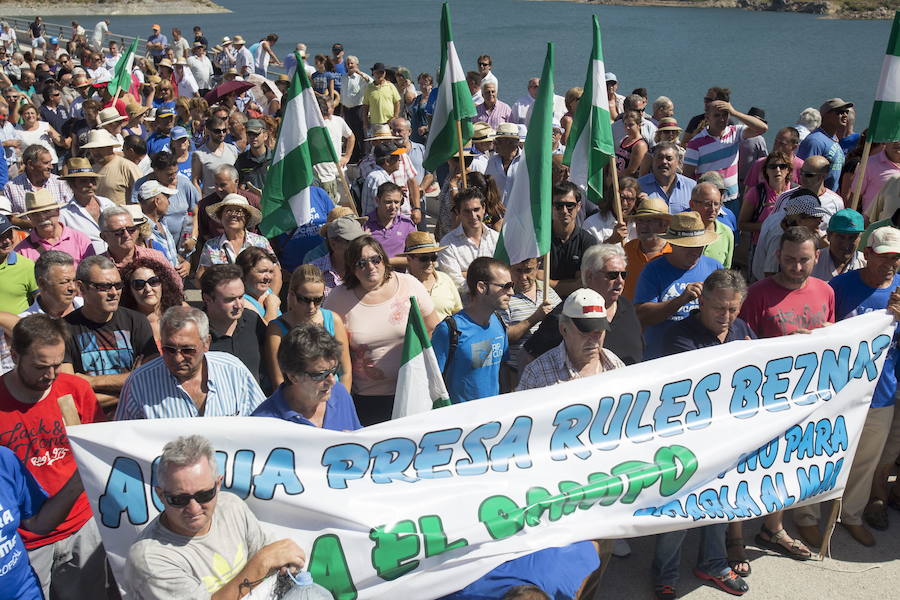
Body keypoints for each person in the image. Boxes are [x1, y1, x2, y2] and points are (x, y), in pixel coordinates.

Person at [792, 226, 900, 549]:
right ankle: (807, 517)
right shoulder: (837, 287)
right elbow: (819, 331)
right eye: (884, 258)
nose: (890, 265)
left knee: (866, 461)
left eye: (896, 259)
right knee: (820, 454)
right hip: (837, 391)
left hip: (882, 393)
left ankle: (851, 515)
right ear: (868, 254)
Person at [655, 269, 754, 598]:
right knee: (680, 509)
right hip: (687, 441)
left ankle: (713, 562)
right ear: (703, 301)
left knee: (721, 502)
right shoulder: (679, 336)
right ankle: (665, 571)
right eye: (719, 308)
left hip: (728, 438)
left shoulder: (741, 329)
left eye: (733, 309)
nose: (727, 317)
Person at [738, 226, 833, 559]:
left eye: (804, 260)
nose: (795, 267)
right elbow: (743, 348)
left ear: (816, 257)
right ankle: (736, 534)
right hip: (769, 398)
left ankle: (773, 527)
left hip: (811, 397)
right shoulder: (757, 294)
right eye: (789, 259)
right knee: (757, 466)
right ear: (777, 255)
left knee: (790, 465)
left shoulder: (826, 291)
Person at [0, 314, 110, 600]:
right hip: (25, 542)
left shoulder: (75, 390)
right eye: (40, 366)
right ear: (14, 355)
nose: (50, 375)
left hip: (82, 527)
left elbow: (98, 451)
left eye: (57, 364)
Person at [124, 434, 305, 598]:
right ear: (161, 495)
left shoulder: (231, 507)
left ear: (218, 485)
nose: (194, 508)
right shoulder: (150, 558)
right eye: (179, 499)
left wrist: (284, 563)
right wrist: (262, 562)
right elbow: (264, 559)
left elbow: (271, 557)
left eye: (204, 495)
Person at [322, 235, 438, 425]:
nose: (370, 267)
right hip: (368, 398)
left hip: (414, 389)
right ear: (351, 268)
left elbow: (434, 328)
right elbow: (327, 345)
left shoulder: (409, 284)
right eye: (361, 263)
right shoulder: (338, 298)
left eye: (376, 259)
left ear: (384, 260)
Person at [116, 306, 265, 420]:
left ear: (206, 343)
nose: (178, 358)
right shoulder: (140, 383)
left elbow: (264, 421)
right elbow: (121, 440)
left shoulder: (233, 371)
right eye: (169, 349)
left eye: (187, 350)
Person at [60, 255, 157, 409]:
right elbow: (68, 393)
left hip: (133, 419)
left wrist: (91, 382)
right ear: (82, 288)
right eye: (104, 287)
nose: (114, 292)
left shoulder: (137, 322)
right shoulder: (63, 329)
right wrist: (132, 384)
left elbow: (152, 380)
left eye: (118, 285)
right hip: (90, 424)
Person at [634, 211, 723, 359]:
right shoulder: (653, 270)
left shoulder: (714, 267)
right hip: (662, 358)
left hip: (703, 357)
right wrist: (680, 300)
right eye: (689, 246)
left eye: (699, 245)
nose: (696, 251)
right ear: (673, 243)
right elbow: (641, 315)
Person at [254, 320, 361, 430]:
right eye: (320, 375)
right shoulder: (263, 423)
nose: (332, 381)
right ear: (293, 377)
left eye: (334, 370)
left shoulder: (339, 393)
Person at [432, 257, 511, 403]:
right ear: (482, 287)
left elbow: (501, 369)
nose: (511, 292)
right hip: (461, 421)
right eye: (505, 286)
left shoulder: (499, 322)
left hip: (495, 417)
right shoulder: (449, 330)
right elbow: (432, 384)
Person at [518, 287, 625, 391]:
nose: (594, 339)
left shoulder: (615, 365)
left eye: (599, 331)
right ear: (564, 329)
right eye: (585, 331)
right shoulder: (537, 374)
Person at [263, 265, 352, 390]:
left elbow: (345, 372)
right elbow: (278, 380)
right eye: (304, 299)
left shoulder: (333, 320)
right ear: (292, 295)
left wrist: (342, 404)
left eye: (317, 300)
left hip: (332, 397)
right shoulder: (276, 329)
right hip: (297, 402)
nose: (311, 306)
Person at [683, 97, 768, 203]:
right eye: (717, 115)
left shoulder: (735, 132)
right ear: (707, 117)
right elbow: (686, 177)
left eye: (725, 114)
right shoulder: (695, 143)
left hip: (732, 199)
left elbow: (762, 128)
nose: (722, 119)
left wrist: (734, 112)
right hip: (708, 201)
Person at [200, 264, 266, 382]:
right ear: (208, 299)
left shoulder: (252, 320)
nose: (239, 305)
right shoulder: (196, 333)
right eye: (230, 299)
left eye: (241, 297)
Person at [752, 191, 829, 281]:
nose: (821, 221)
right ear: (800, 220)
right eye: (816, 217)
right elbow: (770, 273)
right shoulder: (779, 235)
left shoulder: (791, 222)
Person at [98, 206, 182, 287]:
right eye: (118, 232)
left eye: (131, 230)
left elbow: (176, 285)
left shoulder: (155, 257)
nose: (126, 235)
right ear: (104, 237)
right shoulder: (97, 267)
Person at [197, 193, 275, 277]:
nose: (233, 215)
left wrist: (270, 291)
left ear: (246, 217)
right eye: (228, 211)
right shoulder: (211, 246)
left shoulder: (261, 242)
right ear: (220, 216)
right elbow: (200, 277)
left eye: (239, 212)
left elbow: (276, 273)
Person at [438, 187, 500, 291]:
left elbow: (504, 273)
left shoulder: (496, 239)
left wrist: (468, 275)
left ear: (483, 208)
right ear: (458, 212)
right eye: (467, 211)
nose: (473, 216)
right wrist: (489, 284)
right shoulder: (447, 243)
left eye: (476, 209)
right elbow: (455, 281)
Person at [15, 189, 95, 264]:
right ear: (29, 217)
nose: (42, 218)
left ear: (57, 211)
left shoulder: (80, 239)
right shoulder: (21, 250)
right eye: (36, 214)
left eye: (47, 212)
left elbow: (91, 272)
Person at [120, 256, 184, 347]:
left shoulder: (182, 312)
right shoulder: (124, 324)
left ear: (163, 284)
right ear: (129, 290)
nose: (148, 289)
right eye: (139, 284)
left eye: (153, 281)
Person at [548, 182, 598, 298]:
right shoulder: (541, 238)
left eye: (570, 205)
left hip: (577, 303)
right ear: (551, 206)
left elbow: (584, 283)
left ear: (579, 206)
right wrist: (572, 284)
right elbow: (536, 279)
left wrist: (550, 283)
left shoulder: (588, 241)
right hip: (544, 305)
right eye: (559, 205)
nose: (564, 211)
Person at [738, 151, 796, 250]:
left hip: (787, 246)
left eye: (782, 166)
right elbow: (742, 225)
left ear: (788, 170)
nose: (777, 170)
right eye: (772, 166)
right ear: (766, 171)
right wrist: (768, 225)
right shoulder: (756, 193)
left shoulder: (795, 193)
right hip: (761, 246)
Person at [402, 231, 462, 321]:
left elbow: (458, 311)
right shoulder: (402, 285)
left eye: (433, 258)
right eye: (424, 258)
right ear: (409, 259)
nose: (430, 263)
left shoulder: (445, 279)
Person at [623, 197, 672, 300]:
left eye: (649, 221)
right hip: (630, 314)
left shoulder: (674, 252)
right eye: (640, 221)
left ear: (665, 224)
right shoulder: (627, 250)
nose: (642, 226)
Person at [797, 98, 852, 192]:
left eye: (846, 112)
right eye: (840, 112)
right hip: (815, 199)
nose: (845, 115)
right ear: (826, 115)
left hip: (829, 200)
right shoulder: (814, 141)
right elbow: (802, 175)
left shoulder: (834, 139)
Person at [4, 144, 73, 217]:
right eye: (46, 163)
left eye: (51, 162)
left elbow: (72, 211)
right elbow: (10, 219)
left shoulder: (60, 183)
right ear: (30, 164)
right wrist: (36, 224)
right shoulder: (11, 188)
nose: (51, 167)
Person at [137, 179, 187, 273]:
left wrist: (184, 263)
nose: (169, 203)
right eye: (167, 198)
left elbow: (170, 253)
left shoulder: (162, 223)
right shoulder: (140, 230)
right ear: (157, 201)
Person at [313, 96, 354, 203]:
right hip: (321, 175)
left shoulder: (338, 121)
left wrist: (347, 157)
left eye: (329, 108)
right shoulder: (312, 125)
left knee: (346, 205)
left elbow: (351, 136)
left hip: (338, 172)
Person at [638, 142, 696, 214]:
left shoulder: (692, 187)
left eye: (669, 158)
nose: (664, 162)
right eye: (659, 158)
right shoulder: (639, 186)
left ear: (678, 162)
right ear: (653, 161)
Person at [21, 250, 82, 318]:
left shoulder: (91, 309)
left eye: (74, 280)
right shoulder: (25, 323)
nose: (73, 287)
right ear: (42, 284)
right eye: (64, 282)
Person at [366, 181, 417, 261]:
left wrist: (386, 262)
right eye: (388, 202)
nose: (393, 207)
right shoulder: (365, 224)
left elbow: (415, 258)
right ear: (377, 200)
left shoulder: (407, 225)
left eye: (396, 202)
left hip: (398, 273)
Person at [811, 208, 866, 281]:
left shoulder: (867, 264)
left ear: (860, 238)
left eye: (852, 238)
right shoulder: (812, 262)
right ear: (829, 235)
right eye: (841, 237)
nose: (846, 244)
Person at [582, 176, 640, 244]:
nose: (624, 203)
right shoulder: (592, 224)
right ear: (612, 197)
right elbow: (588, 253)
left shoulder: (639, 224)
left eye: (630, 199)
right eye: (621, 197)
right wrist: (611, 241)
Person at [192, 116, 240, 198]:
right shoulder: (199, 154)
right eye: (217, 131)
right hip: (210, 199)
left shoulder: (233, 149)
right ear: (207, 131)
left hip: (231, 198)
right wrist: (200, 203)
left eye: (224, 131)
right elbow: (195, 181)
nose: (221, 134)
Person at [689, 182, 734, 268]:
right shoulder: (681, 230)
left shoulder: (726, 233)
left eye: (716, 204)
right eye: (707, 204)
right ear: (692, 204)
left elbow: (726, 269)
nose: (713, 209)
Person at [0, 214, 38, 314]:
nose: (7, 241)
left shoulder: (27, 266)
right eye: (1, 237)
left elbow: (40, 304)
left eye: (9, 234)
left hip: (18, 328)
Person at [236, 246, 283, 324]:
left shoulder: (268, 292)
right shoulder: (241, 301)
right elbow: (266, 330)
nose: (268, 277)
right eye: (262, 271)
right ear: (244, 273)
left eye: (270, 272)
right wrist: (272, 307)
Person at [852, 141, 900, 215]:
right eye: (894, 137)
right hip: (872, 223)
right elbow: (855, 196)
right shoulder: (869, 163)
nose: (897, 142)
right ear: (885, 141)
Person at [233, 118, 274, 191]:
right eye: (249, 134)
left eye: (256, 134)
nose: (252, 137)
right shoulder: (241, 160)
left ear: (265, 136)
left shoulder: (275, 157)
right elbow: (235, 183)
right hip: (250, 201)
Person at [484, 122, 521, 198]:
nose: (494, 144)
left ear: (511, 143)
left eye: (498, 141)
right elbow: (487, 188)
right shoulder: (492, 161)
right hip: (497, 209)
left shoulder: (525, 162)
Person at [363, 62, 400, 132]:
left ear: (385, 73)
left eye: (381, 72)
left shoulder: (390, 86)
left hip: (389, 123)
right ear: (373, 73)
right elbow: (365, 106)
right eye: (377, 72)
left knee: (389, 142)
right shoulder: (369, 88)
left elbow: (397, 103)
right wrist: (365, 122)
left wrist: (395, 117)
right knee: (375, 142)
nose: (379, 75)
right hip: (374, 123)